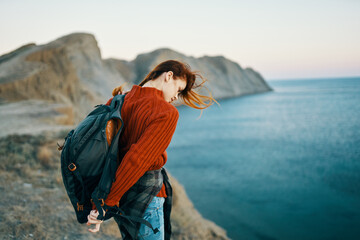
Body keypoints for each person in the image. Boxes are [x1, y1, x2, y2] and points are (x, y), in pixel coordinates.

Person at [86, 60, 217, 240]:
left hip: (120, 192)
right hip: (146, 197)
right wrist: (105, 204)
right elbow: (136, 160)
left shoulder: (119, 99)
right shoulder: (166, 113)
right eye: (178, 90)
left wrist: (101, 202)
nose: (176, 97)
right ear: (168, 76)